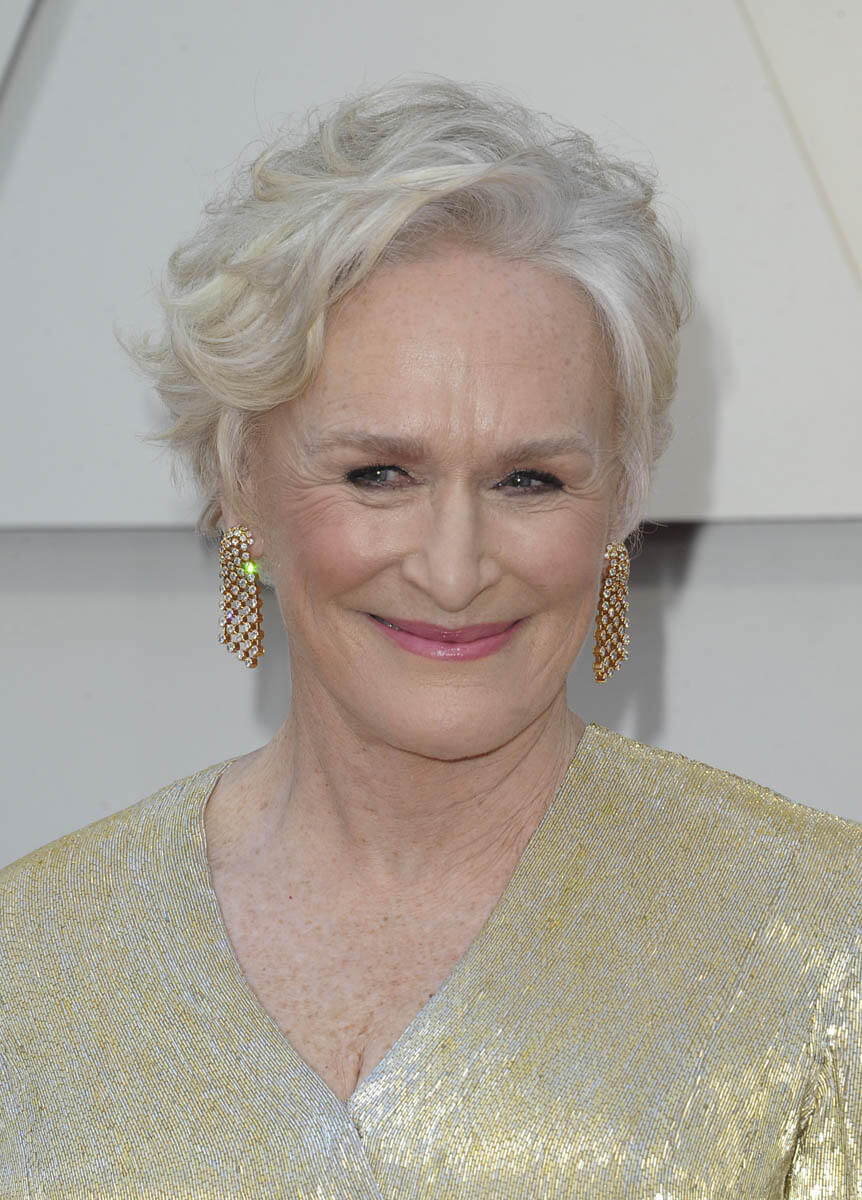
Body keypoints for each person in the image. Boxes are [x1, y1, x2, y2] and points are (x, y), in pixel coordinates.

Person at [1, 75, 859, 1198]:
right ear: (238, 483)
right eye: (379, 474)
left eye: (528, 479)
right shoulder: (31, 971)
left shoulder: (818, 954)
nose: (454, 569)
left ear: (621, 504)